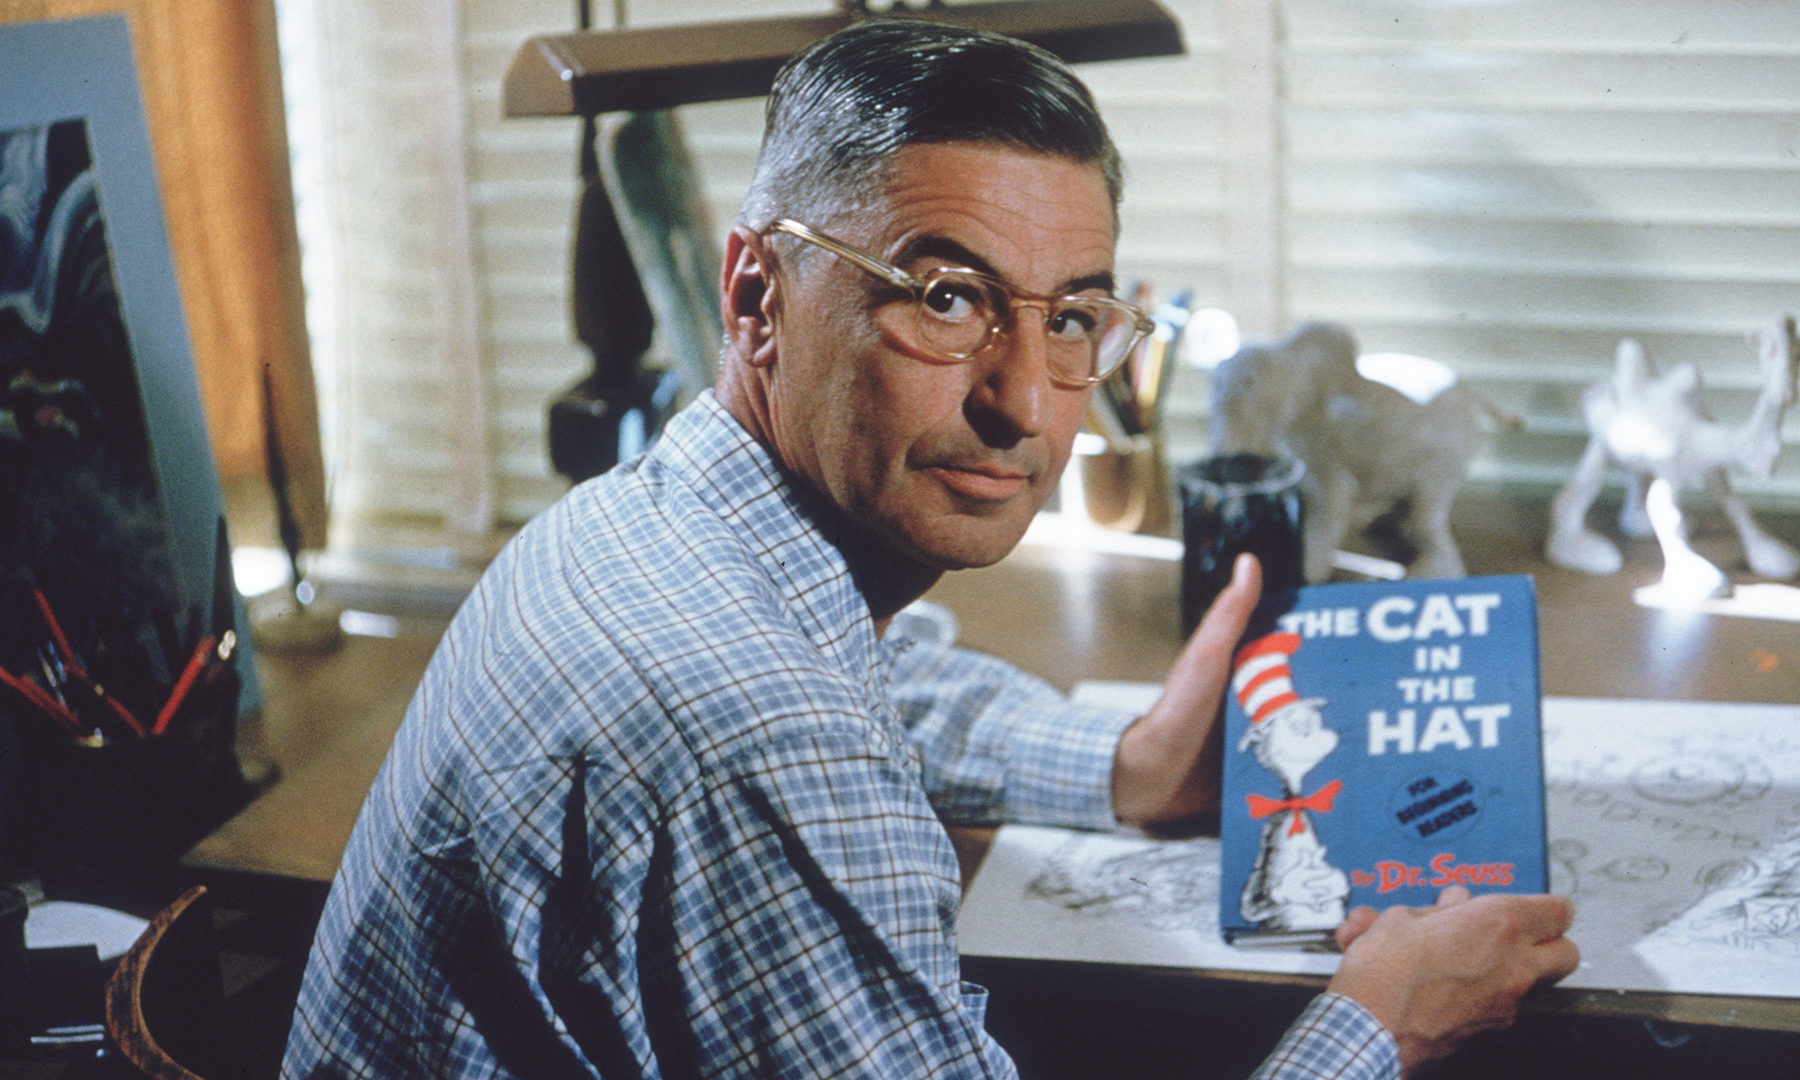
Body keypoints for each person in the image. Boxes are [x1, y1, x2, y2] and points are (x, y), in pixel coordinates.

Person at [283, 19, 1578, 1080]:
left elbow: (861, 677)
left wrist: (1126, 767)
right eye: (945, 297)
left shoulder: (660, 519)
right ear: (757, 297)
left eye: (1073, 317)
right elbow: (792, 732)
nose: (1024, 400)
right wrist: (1381, 1025)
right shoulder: (759, 739)